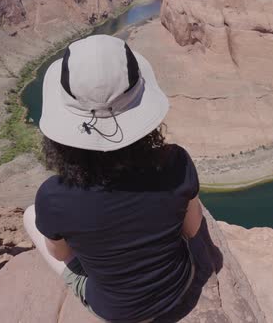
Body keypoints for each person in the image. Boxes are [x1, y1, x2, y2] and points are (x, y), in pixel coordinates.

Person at [23, 35, 221, 323]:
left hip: (119, 312)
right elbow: (192, 230)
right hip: (182, 288)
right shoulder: (175, 161)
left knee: (31, 217)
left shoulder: (54, 196)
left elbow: (60, 251)